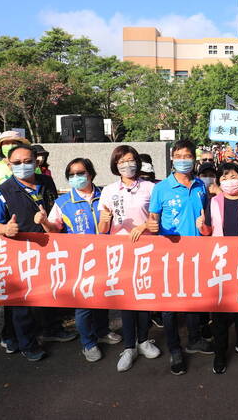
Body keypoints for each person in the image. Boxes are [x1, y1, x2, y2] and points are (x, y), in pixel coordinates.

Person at [0, 144, 72, 362]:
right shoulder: (2, 192)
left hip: (50, 249)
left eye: (27, 161)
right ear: (8, 164)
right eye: (17, 163)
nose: (23, 166)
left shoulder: (46, 182)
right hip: (20, 254)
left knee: (51, 292)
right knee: (22, 302)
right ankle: (27, 344)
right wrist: (6, 229)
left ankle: (53, 328)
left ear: (36, 161)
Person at [38, 158, 122, 362]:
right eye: (72, 174)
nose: (76, 177)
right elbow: (55, 230)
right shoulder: (63, 203)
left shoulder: (107, 194)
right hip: (79, 261)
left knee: (102, 298)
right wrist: (44, 222)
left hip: (106, 257)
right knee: (83, 305)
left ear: (91, 174)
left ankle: (102, 331)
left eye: (80, 173)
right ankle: (88, 343)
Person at [147, 139, 212, 375]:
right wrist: (151, 226)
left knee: (194, 298)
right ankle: (175, 348)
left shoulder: (200, 186)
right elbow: (153, 218)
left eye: (188, 156)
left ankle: (194, 339)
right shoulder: (161, 188)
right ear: (172, 158)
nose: (183, 160)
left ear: (194, 159)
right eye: (179, 156)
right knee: (170, 305)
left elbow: (205, 220)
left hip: (196, 253)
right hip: (169, 255)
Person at [98, 145, 160, 372]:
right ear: (115, 165)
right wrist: (105, 219)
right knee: (126, 298)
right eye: (122, 161)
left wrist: (144, 226)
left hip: (145, 249)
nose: (127, 164)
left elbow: (155, 219)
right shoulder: (108, 191)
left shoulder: (150, 188)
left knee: (142, 295)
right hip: (120, 251)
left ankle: (143, 340)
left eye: (131, 159)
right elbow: (101, 228)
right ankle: (128, 346)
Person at [198, 162, 238, 374]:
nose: (229, 181)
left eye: (233, 176)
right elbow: (208, 231)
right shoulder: (214, 202)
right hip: (220, 264)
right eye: (224, 178)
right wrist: (202, 225)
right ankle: (220, 353)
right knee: (219, 312)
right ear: (219, 181)